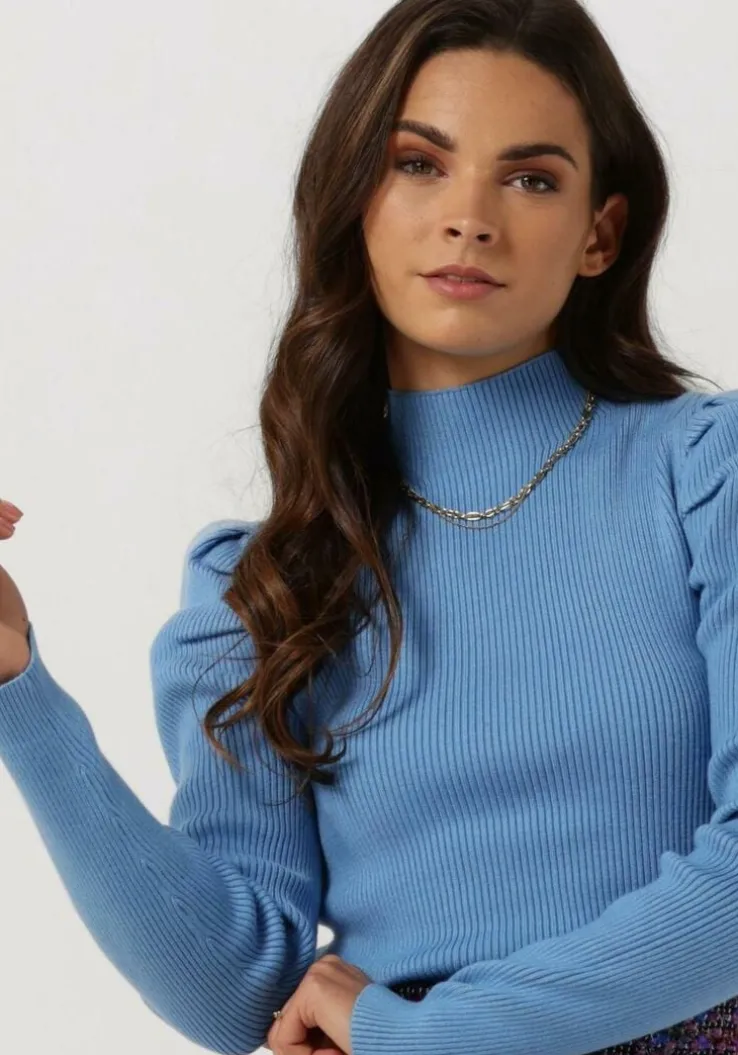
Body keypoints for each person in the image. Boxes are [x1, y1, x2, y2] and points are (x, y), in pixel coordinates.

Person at [2, 1, 738, 1053]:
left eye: (531, 179)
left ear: (600, 235)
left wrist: (431, 1035)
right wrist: (17, 694)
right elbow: (239, 996)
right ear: (355, 198)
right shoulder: (268, 581)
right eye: (418, 164)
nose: (470, 218)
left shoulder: (706, 473)